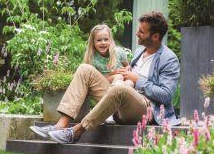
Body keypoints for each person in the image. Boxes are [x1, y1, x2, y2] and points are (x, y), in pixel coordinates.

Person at [30, 11, 180, 144]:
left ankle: (76, 132)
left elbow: (166, 95)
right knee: (85, 69)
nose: (136, 33)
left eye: (141, 31)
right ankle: (60, 125)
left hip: (144, 108)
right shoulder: (140, 51)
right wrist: (123, 73)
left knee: (120, 88)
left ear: (155, 36)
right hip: (120, 96)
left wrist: (137, 79)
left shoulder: (168, 59)